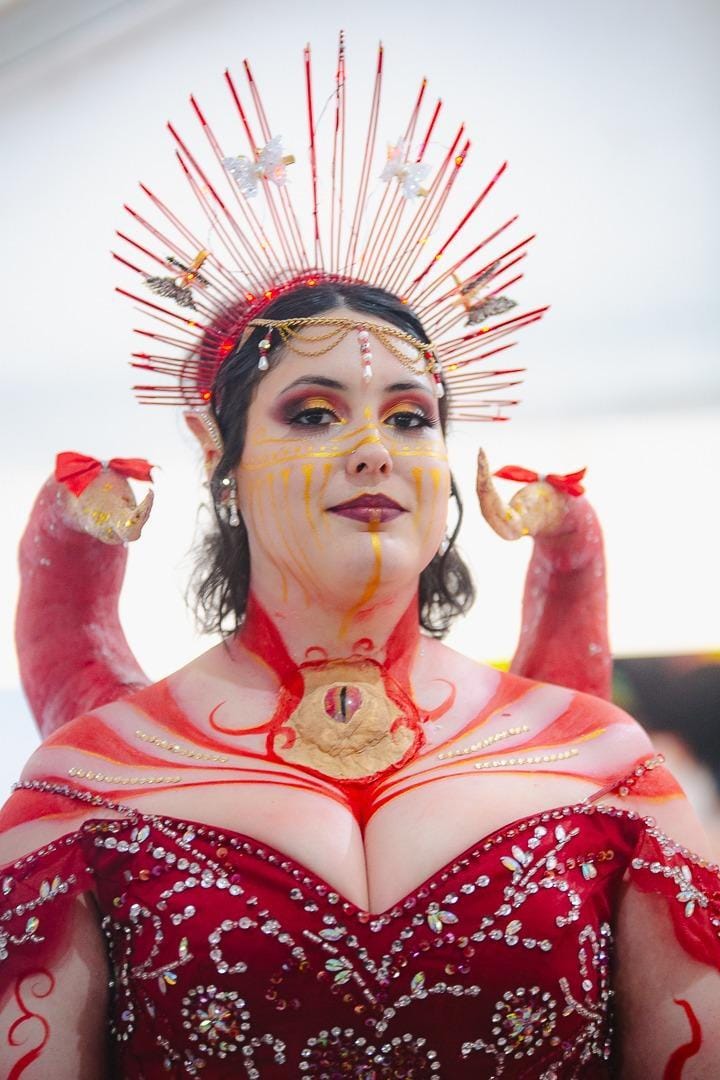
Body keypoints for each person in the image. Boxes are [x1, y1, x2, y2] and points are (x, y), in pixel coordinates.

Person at [2, 41, 719, 1079]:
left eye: (411, 417)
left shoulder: (605, 765)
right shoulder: (87, 782)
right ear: (221, 459)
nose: (374, 448)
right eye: (313, 412)